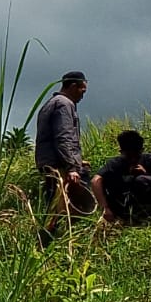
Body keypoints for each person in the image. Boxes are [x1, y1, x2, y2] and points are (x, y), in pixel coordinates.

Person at [35, 71, 95, 239]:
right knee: (66, 207)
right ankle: (59, 240)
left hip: (50, 162)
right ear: (73, 86)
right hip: (59, 165)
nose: (83, 95)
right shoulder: (64, 104)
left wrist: (78, 161)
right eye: (82, 90)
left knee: (54, 205)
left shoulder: (51, 103)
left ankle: (47, 241)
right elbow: (64, 136)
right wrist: (71, 166)